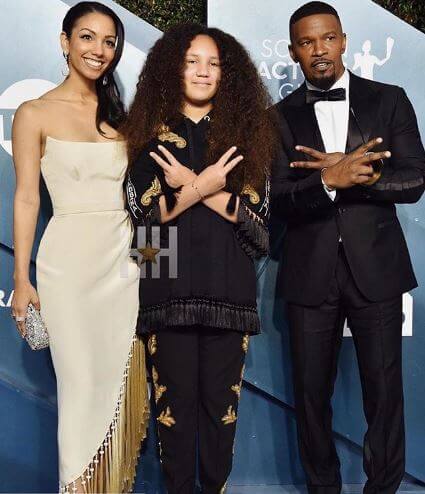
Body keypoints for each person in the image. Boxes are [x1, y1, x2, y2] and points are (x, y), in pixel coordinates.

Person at [271, 2, 425, 493]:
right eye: (307, 42)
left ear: (343, 40)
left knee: (384, 395)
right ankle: (323, 489)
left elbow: (416, 178)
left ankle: (382, 488)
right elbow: (276, 198)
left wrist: (356, 177)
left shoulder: (390, 99)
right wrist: (326, 181)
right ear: (294, 51)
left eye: (327, 38)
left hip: (376, 270)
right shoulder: (277, 118)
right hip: (308, 273)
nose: (319, 50)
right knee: (310, 398)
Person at [122, 23, 276, 494]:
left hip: (229, 290)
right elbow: (141, 231)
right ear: (174, 68)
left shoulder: (247, 138)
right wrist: (202, 188)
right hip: (166, 288)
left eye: (213, 63)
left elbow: (258, 232)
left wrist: (195, 186)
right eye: (192, 61)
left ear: (227, 75)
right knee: (174, 412)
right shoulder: (148, 136)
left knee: (219, 414)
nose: (203, 72)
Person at [10, 2, 149, 492]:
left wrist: (153, 265)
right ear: (65, 41)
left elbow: (143, 203)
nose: (98, 50)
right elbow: (27, 197)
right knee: (79, 391)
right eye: (87, 38)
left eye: (109, 42)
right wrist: (20, 278)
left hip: (123, 267)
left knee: (116, 390)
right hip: (67, 267)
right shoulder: (33, 113)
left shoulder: (125, 117)